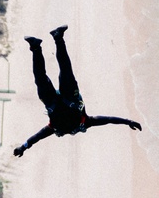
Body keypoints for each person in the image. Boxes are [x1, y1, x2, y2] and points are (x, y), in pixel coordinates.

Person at [14, 25, 141, 157]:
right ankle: (57, 38)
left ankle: (36, 46)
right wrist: (128, 122)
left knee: (43, 77)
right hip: (70, 97)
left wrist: (23, 147)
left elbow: (36, 138)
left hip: (52, 101)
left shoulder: (55, 127)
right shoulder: (85, 122)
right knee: (64, 70)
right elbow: (108, 119)